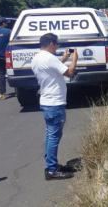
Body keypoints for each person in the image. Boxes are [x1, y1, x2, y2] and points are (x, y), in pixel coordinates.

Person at [31, 33, 78, 180]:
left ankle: (51, 164)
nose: (57, 46)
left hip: (46, 101)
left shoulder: (37, 58)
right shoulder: (49, 58)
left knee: (50, 134)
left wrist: (64, 58)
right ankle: (51, 169)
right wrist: (74, 59)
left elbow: (52, 70)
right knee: (54, 136)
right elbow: (70, 73)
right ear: (51, 43)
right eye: (56, 44)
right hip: (55, 102)